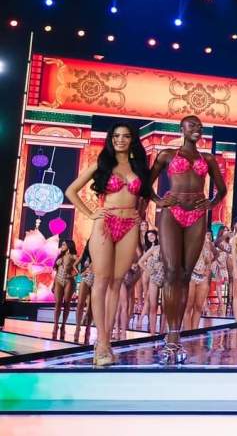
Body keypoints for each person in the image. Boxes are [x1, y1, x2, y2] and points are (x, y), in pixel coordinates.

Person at [65, 122, 150, 364]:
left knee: (116, 282)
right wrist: (91, 213)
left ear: (132, 140)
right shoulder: (102, 164)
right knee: (101, 281)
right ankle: (101, 342)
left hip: (129, 225)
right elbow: (71, 191)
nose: (120, 140)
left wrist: (140, 213)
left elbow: (145, 195)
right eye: (116, 136)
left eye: (125, 136)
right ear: (111, 139)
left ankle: (106, 341)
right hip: (105, 222)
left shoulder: (139, 167)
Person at [148, 116, 227, 363]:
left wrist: (211, 203)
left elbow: (222, 189)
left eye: (200, 126)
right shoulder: (167, 155)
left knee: (185, 275)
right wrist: (159, 201)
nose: (197, 129)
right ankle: (170, 335)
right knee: (172, 271)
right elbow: (145, 185)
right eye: (192, 125)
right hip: (172, 212)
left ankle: (175, 334)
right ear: (181, 129)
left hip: (197, 215)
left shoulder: (208, 159)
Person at [137, 230, 164, 333]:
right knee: (153, 305)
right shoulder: (153, 248)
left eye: (152, 235)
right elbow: (140, 262)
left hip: (166, 278)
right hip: (154, 278)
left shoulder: (169, 249)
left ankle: (162, 332)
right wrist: (149, 271)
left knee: (165, 308)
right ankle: (152, 333)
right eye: (149, 236)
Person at [72, 249, 94, 344]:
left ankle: (88, 329)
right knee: (80, 303)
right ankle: (78, 328)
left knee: (91, 307)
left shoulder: (99, 253)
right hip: (85, 279)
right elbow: (74, 265)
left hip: (96, 280)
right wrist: (80, 273)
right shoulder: (85, 254)